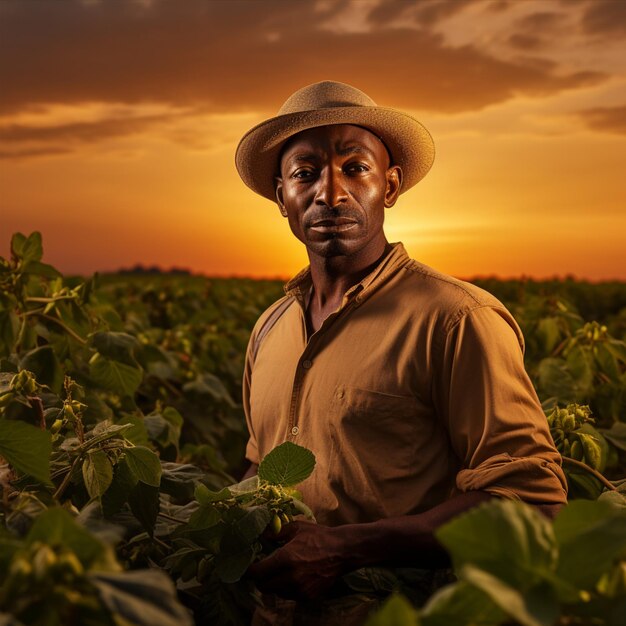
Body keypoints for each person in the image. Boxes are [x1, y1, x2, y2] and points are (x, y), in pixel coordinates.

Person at [234, 80, 567, 622]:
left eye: (355, 167)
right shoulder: (269, 330)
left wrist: (349, 548)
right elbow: (260, 469)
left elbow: (534, 505)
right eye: (305, 173)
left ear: (389, 187)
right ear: (282, 197)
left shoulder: (457, 319)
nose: (330, 192)